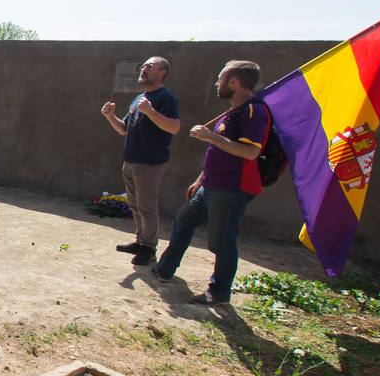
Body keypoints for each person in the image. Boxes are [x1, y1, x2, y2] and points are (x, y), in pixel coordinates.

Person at [153, 60, 270, 305]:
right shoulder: (233, 111)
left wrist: (210, 136)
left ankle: (219, 292)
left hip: (232, 188)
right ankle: (165, 269)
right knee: (184, 220)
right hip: (211, 185)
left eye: (220, 79)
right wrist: (201, 178)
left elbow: (249, 152)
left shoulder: (254, 111)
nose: (217, 84)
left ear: (234, 82)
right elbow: (219, 153)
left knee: (222, 240)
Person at [100, 56, 180, 266]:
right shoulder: (139, 99)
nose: (144, 69)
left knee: (146, 205)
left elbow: (174, 127)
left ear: (162, 73)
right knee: (134, 204)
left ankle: (149, 249)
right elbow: (124, 129)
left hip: (150, 162)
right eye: (143, 66)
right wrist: (110, 116)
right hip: (131, 159)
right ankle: (140, 241)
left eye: (150, 67)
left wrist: (151, 111)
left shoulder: (166, 97)